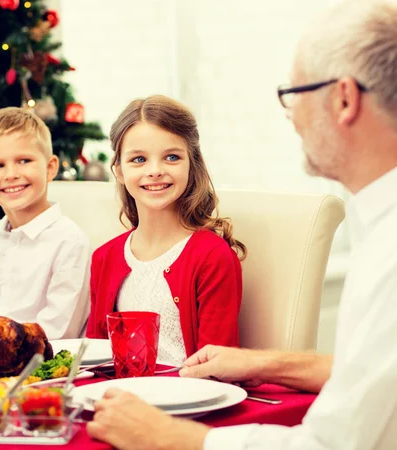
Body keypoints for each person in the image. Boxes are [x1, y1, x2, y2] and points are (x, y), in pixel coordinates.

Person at [86, 0, 397, 448]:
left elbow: (333, 444)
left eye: (294, 93)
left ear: (343, 99)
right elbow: (363, 370)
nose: (289, 115)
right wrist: (258, 363)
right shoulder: (378, 224)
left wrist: (172, 438)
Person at [86, 95, 246, 365]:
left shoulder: (213, 257)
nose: (155, 171)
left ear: (191, 165)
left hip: (187, 401)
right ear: (119, 171)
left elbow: (218, 369)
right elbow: (94, 359)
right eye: (138, 159)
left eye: (172, 157)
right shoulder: (104, 258)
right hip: (119, 399)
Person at [0, 107, 90, 339]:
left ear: (50, 168)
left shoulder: (70, 242)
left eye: (24, 160)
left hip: (46, 369)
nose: (11, 174)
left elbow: (59, 332)